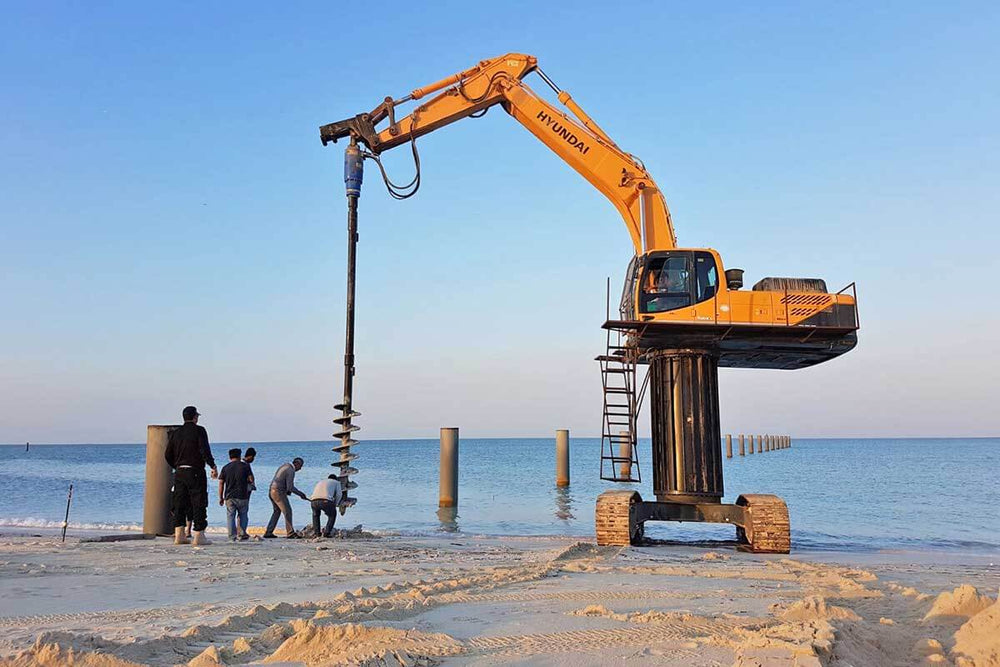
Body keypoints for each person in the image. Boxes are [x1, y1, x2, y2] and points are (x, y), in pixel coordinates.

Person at [164, 406, 217, 545]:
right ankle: (199, 535)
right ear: (195, 417)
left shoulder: (176, 433)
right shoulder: (199, 430)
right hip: (195, 471)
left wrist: (176, 465)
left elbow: (167, 454)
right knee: (199, 501)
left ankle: (179, 534)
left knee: (179, 502)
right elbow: (204, 449)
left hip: (180, 471)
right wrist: (212, 465)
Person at [264, 457, 308, 539]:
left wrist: (288, 491)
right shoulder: (290, 470)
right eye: (301, 466)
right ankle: (290, 532)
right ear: (297, 464)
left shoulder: (285, 466)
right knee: (288, 511)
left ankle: (268, 532)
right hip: (278, 492)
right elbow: (290, 487)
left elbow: (284, 484)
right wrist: (301, 494)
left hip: (271, 491)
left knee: (276, 511)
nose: (300, 468)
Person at [218, 448, 253, 541]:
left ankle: (232, 536)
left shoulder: (225, 468)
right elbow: (251, 479)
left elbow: (221, 483)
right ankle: (241, 534)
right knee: (243, 515)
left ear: (230, 457)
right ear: (239, 456)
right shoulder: (245, 466)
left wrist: (220, 497)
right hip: (243, 495)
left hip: (229, 496)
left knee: (230, 516)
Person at [310, 474, 343, 538]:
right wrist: (336, 504)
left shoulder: (320, 482)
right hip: (325, 501)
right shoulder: (336, 482)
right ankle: (327, 533)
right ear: (335, 479)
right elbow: (339, 494)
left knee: (316, 515)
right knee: (332, 515)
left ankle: (317, 533)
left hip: (313, 501)